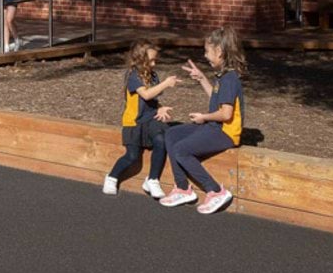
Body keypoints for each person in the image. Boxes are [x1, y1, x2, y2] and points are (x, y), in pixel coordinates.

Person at [161, 27, 246, 214]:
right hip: (214, 127)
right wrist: (201, 79)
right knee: (172, 133)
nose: (205, 55)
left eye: (207, 51)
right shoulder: (222, 76)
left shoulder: (230, 79)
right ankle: (182, 188)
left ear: (219, 52)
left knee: (181, 149)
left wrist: (203, 117)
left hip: (225, 133)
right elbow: (215, 100)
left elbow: (225, 114)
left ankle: (215, 191)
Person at [102, 40, 178, 197]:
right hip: (134, 122)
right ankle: (112, 177)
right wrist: (165, 84)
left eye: (155, 59)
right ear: (139, 59)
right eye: (151, 60)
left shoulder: (152, 75)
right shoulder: (133, 75)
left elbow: (152, 99)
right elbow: (146, 94)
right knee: (132, 156)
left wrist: (160, 107)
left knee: (161, 140)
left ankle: (152, 179)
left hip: (150, 119)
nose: (154, 63)